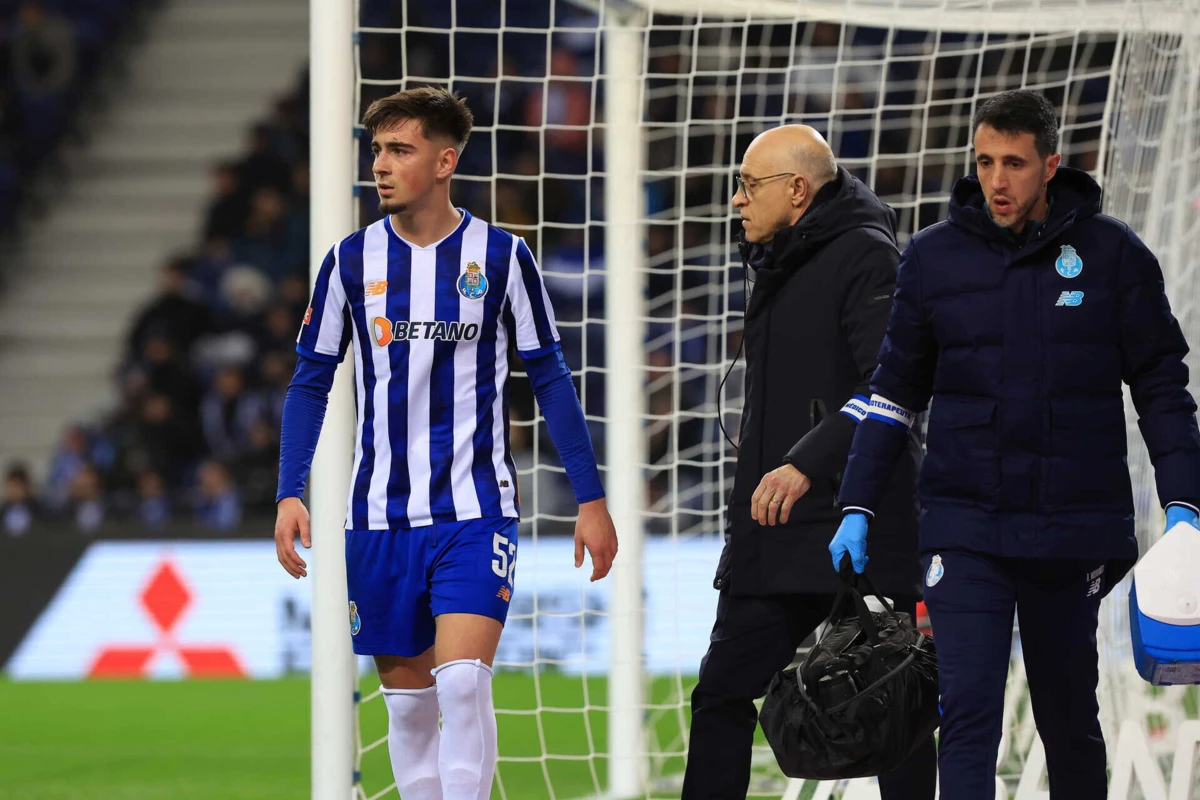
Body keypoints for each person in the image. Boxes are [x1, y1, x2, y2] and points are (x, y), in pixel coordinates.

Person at [832, 89, 1200, 797]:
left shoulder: (1114, 255)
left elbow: (1161, 386)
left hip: (1072, 529)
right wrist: (857, 503)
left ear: (1051, 166)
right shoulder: (932, 259)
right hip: (965, 527)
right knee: (967, 713)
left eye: (1014, 163)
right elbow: (894, 393)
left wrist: (1185, 499)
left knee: (1068, 719)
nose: (996, 180)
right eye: (984, 162)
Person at [273, 87, 619, 800]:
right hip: (378, 518)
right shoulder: (349, 262)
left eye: (400, 150)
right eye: (377, 150)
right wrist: (289, 490)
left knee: (461, 684)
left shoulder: (502, 257)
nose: (381, 165)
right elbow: (310, 382)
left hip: (474, 511)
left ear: (444, 161)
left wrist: (591, 499)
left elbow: (551, 379)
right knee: (407, 709)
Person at [682, 124, 936, 799]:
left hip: (863, 514)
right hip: (779, 526)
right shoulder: (780, 256)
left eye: (748, 185)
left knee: (895, 701)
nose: (737, 200)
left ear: (797, 190)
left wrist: (807, 461)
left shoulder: (867, 254)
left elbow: (894, 384)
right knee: (722, 691)